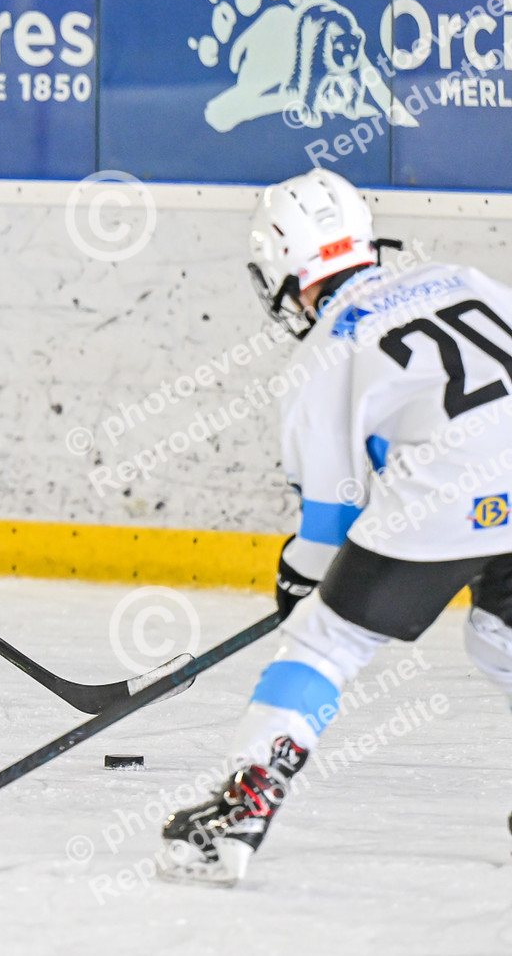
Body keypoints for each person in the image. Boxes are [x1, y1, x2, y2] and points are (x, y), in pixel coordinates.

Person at [159, 168, 512, 885]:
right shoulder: (462, 279)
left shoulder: (323, 353)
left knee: (325, 644)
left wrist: (298, 587)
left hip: (448, 494)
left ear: (281, 270)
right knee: (500, 639)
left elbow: (328, 528)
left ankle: (238, 816)